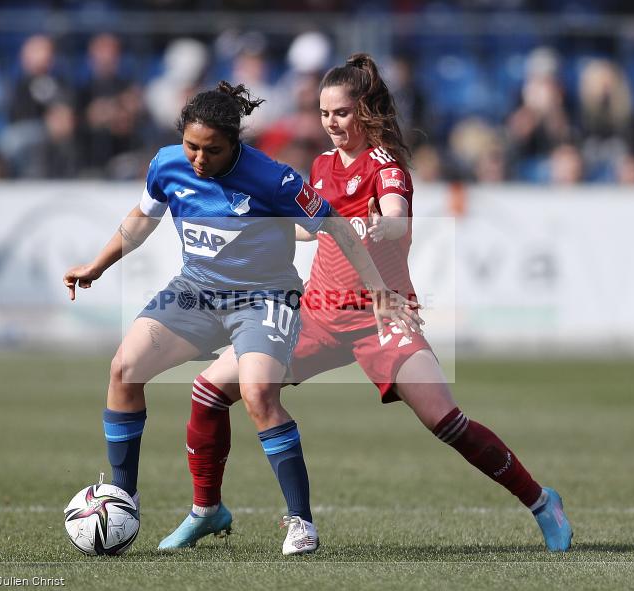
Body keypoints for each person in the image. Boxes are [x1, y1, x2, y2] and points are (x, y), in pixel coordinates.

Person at [157, 55, 573, 553]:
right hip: (315, 313)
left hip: (381, 314)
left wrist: (383, 226)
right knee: (208, 391)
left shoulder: (387, 166)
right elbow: (308, 228)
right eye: (324, 113)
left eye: (341, 113)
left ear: (366, 111)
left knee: (445, 420)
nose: (331, 123)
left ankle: (541, 501)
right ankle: (206, 510)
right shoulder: (321, 166)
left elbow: (396, 216)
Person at [63, 81, 418, 556]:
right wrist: (97, 265)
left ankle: (301, 523)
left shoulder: (275, 179)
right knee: (124, 370)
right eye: (192, 146)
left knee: (257, 394)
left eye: (212, 150)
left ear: (235, 144)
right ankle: (123, 497)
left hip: (266, 299)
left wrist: (378, 290)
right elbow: (142, 218)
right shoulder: (167, 164)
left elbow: (334, 225)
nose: (199, 159)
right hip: (196, 293)